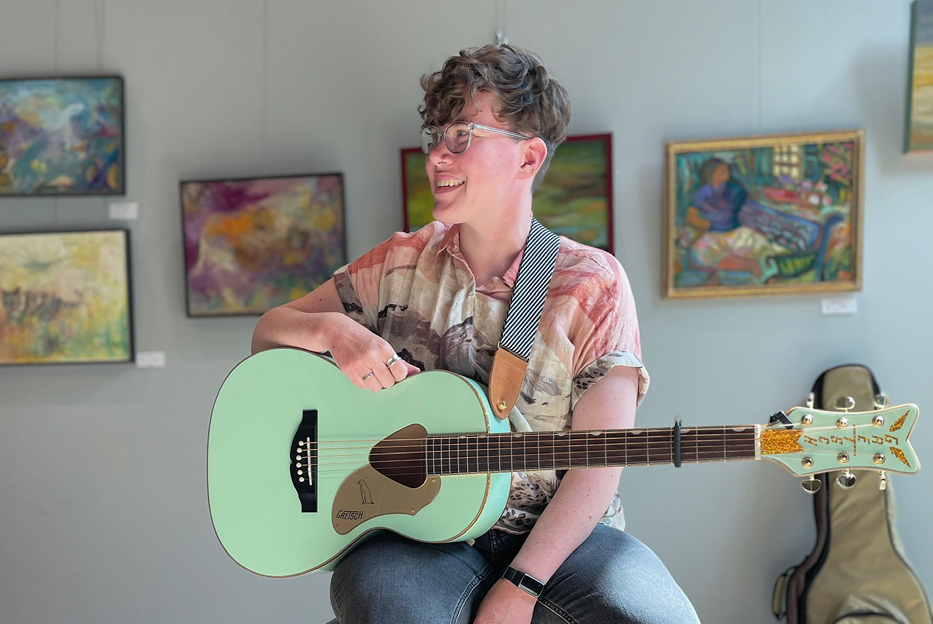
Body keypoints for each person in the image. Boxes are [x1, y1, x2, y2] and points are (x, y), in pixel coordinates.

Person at [252, 44, 699, 624]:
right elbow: (268, 332)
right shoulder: (399, 263)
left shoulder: (591, 283)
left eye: (462, 136)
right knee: (378, 597)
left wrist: (520, 585)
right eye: (435, 136)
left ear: (528, 156)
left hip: (562, 542)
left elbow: (598, 464)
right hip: (423, 531)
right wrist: (336, 333)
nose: (437, 156)